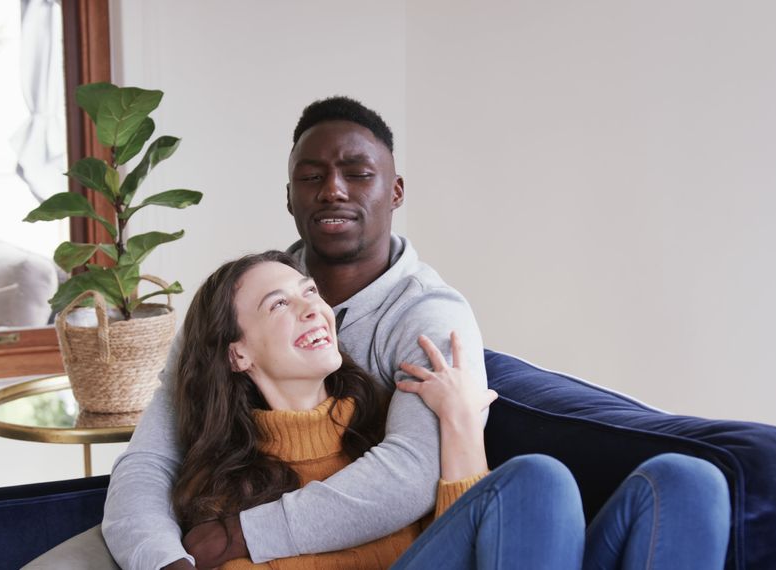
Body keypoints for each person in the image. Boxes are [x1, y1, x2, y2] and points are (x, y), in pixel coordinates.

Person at [103, 97, 489, 569]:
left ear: (396, 191)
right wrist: (166, 563)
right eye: (311, 177)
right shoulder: (229, 309)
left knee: (541, 479)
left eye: (359, 174)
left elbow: (413, 473)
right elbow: (151, 461)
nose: (333, 190)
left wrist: (240, 534)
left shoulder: (429, 315)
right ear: (289, 197)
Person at [174, 251, 587, 568]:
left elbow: (465, 546)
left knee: (653, 481)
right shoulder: (225, 494)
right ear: (237, 354)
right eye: (279, 304)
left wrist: (460, 422)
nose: (312, 309)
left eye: (310, 292)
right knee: (541, 477)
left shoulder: (382, 431)